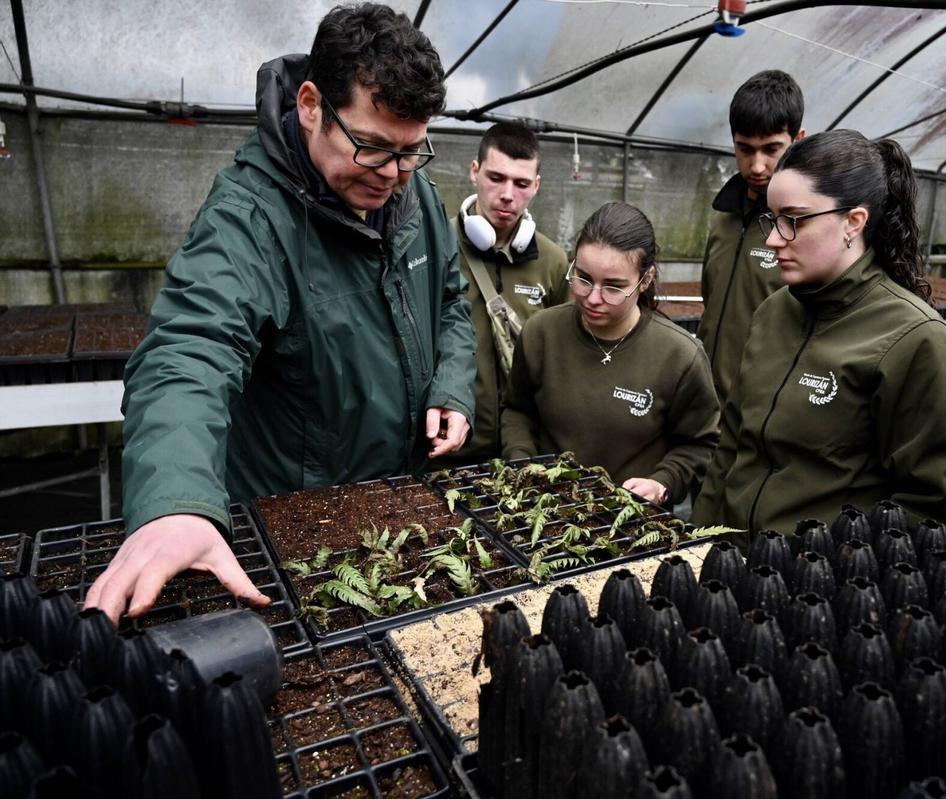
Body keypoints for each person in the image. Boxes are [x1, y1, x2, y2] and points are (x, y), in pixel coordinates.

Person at [85, 4, 476, 623]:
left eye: (411, 151)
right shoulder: (248, 219)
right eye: (372, 147)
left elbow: (450, 301)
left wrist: (452, 386)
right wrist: (176, 503)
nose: (393, 174)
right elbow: (188, 350)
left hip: (395, 504)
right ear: (311, 105)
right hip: (292, 529)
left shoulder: (416, 197)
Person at [693, 130, 946, 538]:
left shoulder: (917, 339)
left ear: (853, 222)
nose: (772, 239)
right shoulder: (772, 313)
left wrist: (828, 565)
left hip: (816, 570)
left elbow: (930, 509)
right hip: (730, 557)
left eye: (793, 220)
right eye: (772, 219)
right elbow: (732, 447)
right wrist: (697, 543)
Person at [501, 202, 721, 506]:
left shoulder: (680, 355)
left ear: (645, 281)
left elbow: (699, 445)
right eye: (583, 278)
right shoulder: (542, 332)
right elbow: (517, 410)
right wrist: (522, 461)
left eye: (613, 287)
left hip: (630, 518)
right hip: (544, 507)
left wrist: (662, 483)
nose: (593, 298)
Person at [450, 121, 569, 465]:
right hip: (448, 448)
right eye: (496, 178)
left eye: (521, 183)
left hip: (525, 452)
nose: (507, 194)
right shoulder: (437, 246)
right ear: (475, 172)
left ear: (536, 186)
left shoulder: (553, 261)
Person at [697, 70, 805, 409]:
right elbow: (710, 302)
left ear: (797, 140)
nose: (757, 166)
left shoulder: (805, 228)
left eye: (771, 149)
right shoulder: (723, 219)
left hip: (759, 409)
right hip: (701, 401)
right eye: (745, 149)